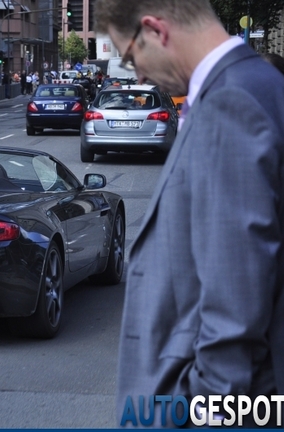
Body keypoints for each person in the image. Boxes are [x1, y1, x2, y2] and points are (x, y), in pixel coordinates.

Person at [94, 0, 284, 427]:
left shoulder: (229, 103)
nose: (137, 74)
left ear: (156, 30)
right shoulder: (260, 83)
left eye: (130, 56)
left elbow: (237, 299)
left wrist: (205, 407)